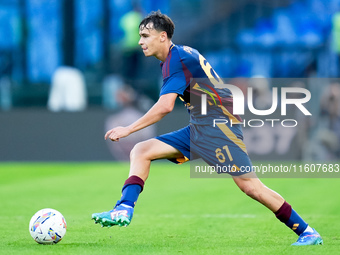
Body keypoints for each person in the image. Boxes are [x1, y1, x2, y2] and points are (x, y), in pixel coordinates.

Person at [92, 11, 323, 246]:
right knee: (142, 151)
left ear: (162, 36)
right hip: (202, 126)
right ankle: (123, 208)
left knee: (251, 187)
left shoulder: (176, 60)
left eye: (145, 35)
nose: (140, 41)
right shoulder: (177, 56)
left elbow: (165, 107)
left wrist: (128, 129)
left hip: (219, 126)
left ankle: (307, 232)